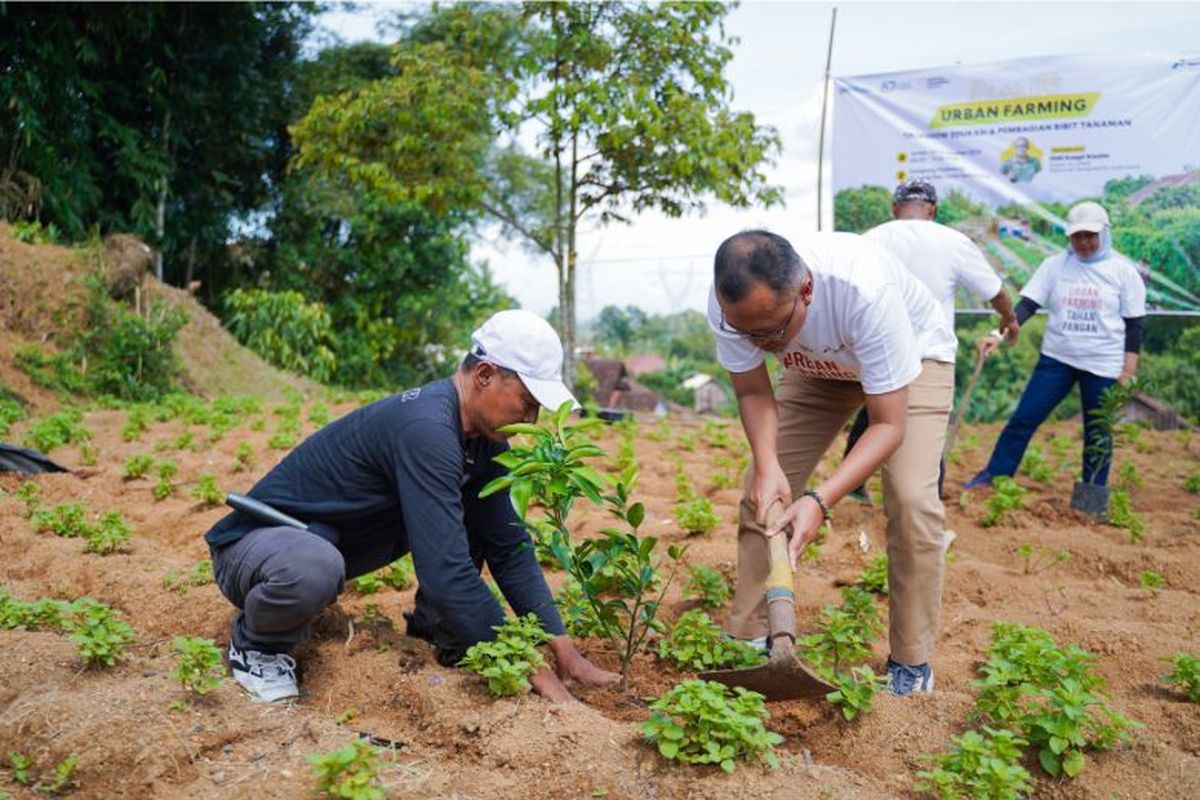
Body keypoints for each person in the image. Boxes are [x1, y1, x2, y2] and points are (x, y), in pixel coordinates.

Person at [203, 309, 619, 703]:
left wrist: (564, 651)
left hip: (317, 549)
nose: (530, 420)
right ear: (485, 375)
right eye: (526, 402)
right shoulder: (427, 429)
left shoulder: (481, 441)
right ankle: (258, 648)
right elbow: (445, 572)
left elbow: (507, 548)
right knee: (314, 567)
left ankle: (435, 634)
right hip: (256, 552)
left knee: (480, 519)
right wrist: (532, 669)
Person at [709, 229, 958, 695]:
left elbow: (887, 425)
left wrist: (820, 501)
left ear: (806, 291)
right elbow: (751, 389)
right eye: (746, 333)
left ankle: (911, 662)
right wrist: (767, 464)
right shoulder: (735, 304)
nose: (759, 343)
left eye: (769, 332)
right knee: (760, 494)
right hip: (815, 367)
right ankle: (749, 633)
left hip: (913, 362)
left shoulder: (864, 292)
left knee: (911, 500)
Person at [841, 179, 1019, 501]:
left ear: (896, 209)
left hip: (877, 350)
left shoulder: (870, 239)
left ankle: (853, 486)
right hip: (927, 356)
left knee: (875, 411)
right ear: (933, 210)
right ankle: (928, 498)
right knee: (926, 428)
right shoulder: (953, 241)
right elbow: (996, 292)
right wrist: (1010, 319)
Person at [965, 201, 1146, 490]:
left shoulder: (1123, 273)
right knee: (1024, 418)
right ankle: (994, 476)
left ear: (1104, 234)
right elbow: (1026, 306)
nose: (1084, 243)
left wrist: (1128, 371)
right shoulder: (1055, 266)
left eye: (1090, 235)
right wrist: (996, 336)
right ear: (1069, 237)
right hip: (1056, 360)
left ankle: (1092, 492)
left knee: (1098, 432)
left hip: (1103, 366)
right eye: (1077, 236)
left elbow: (1135, 326)